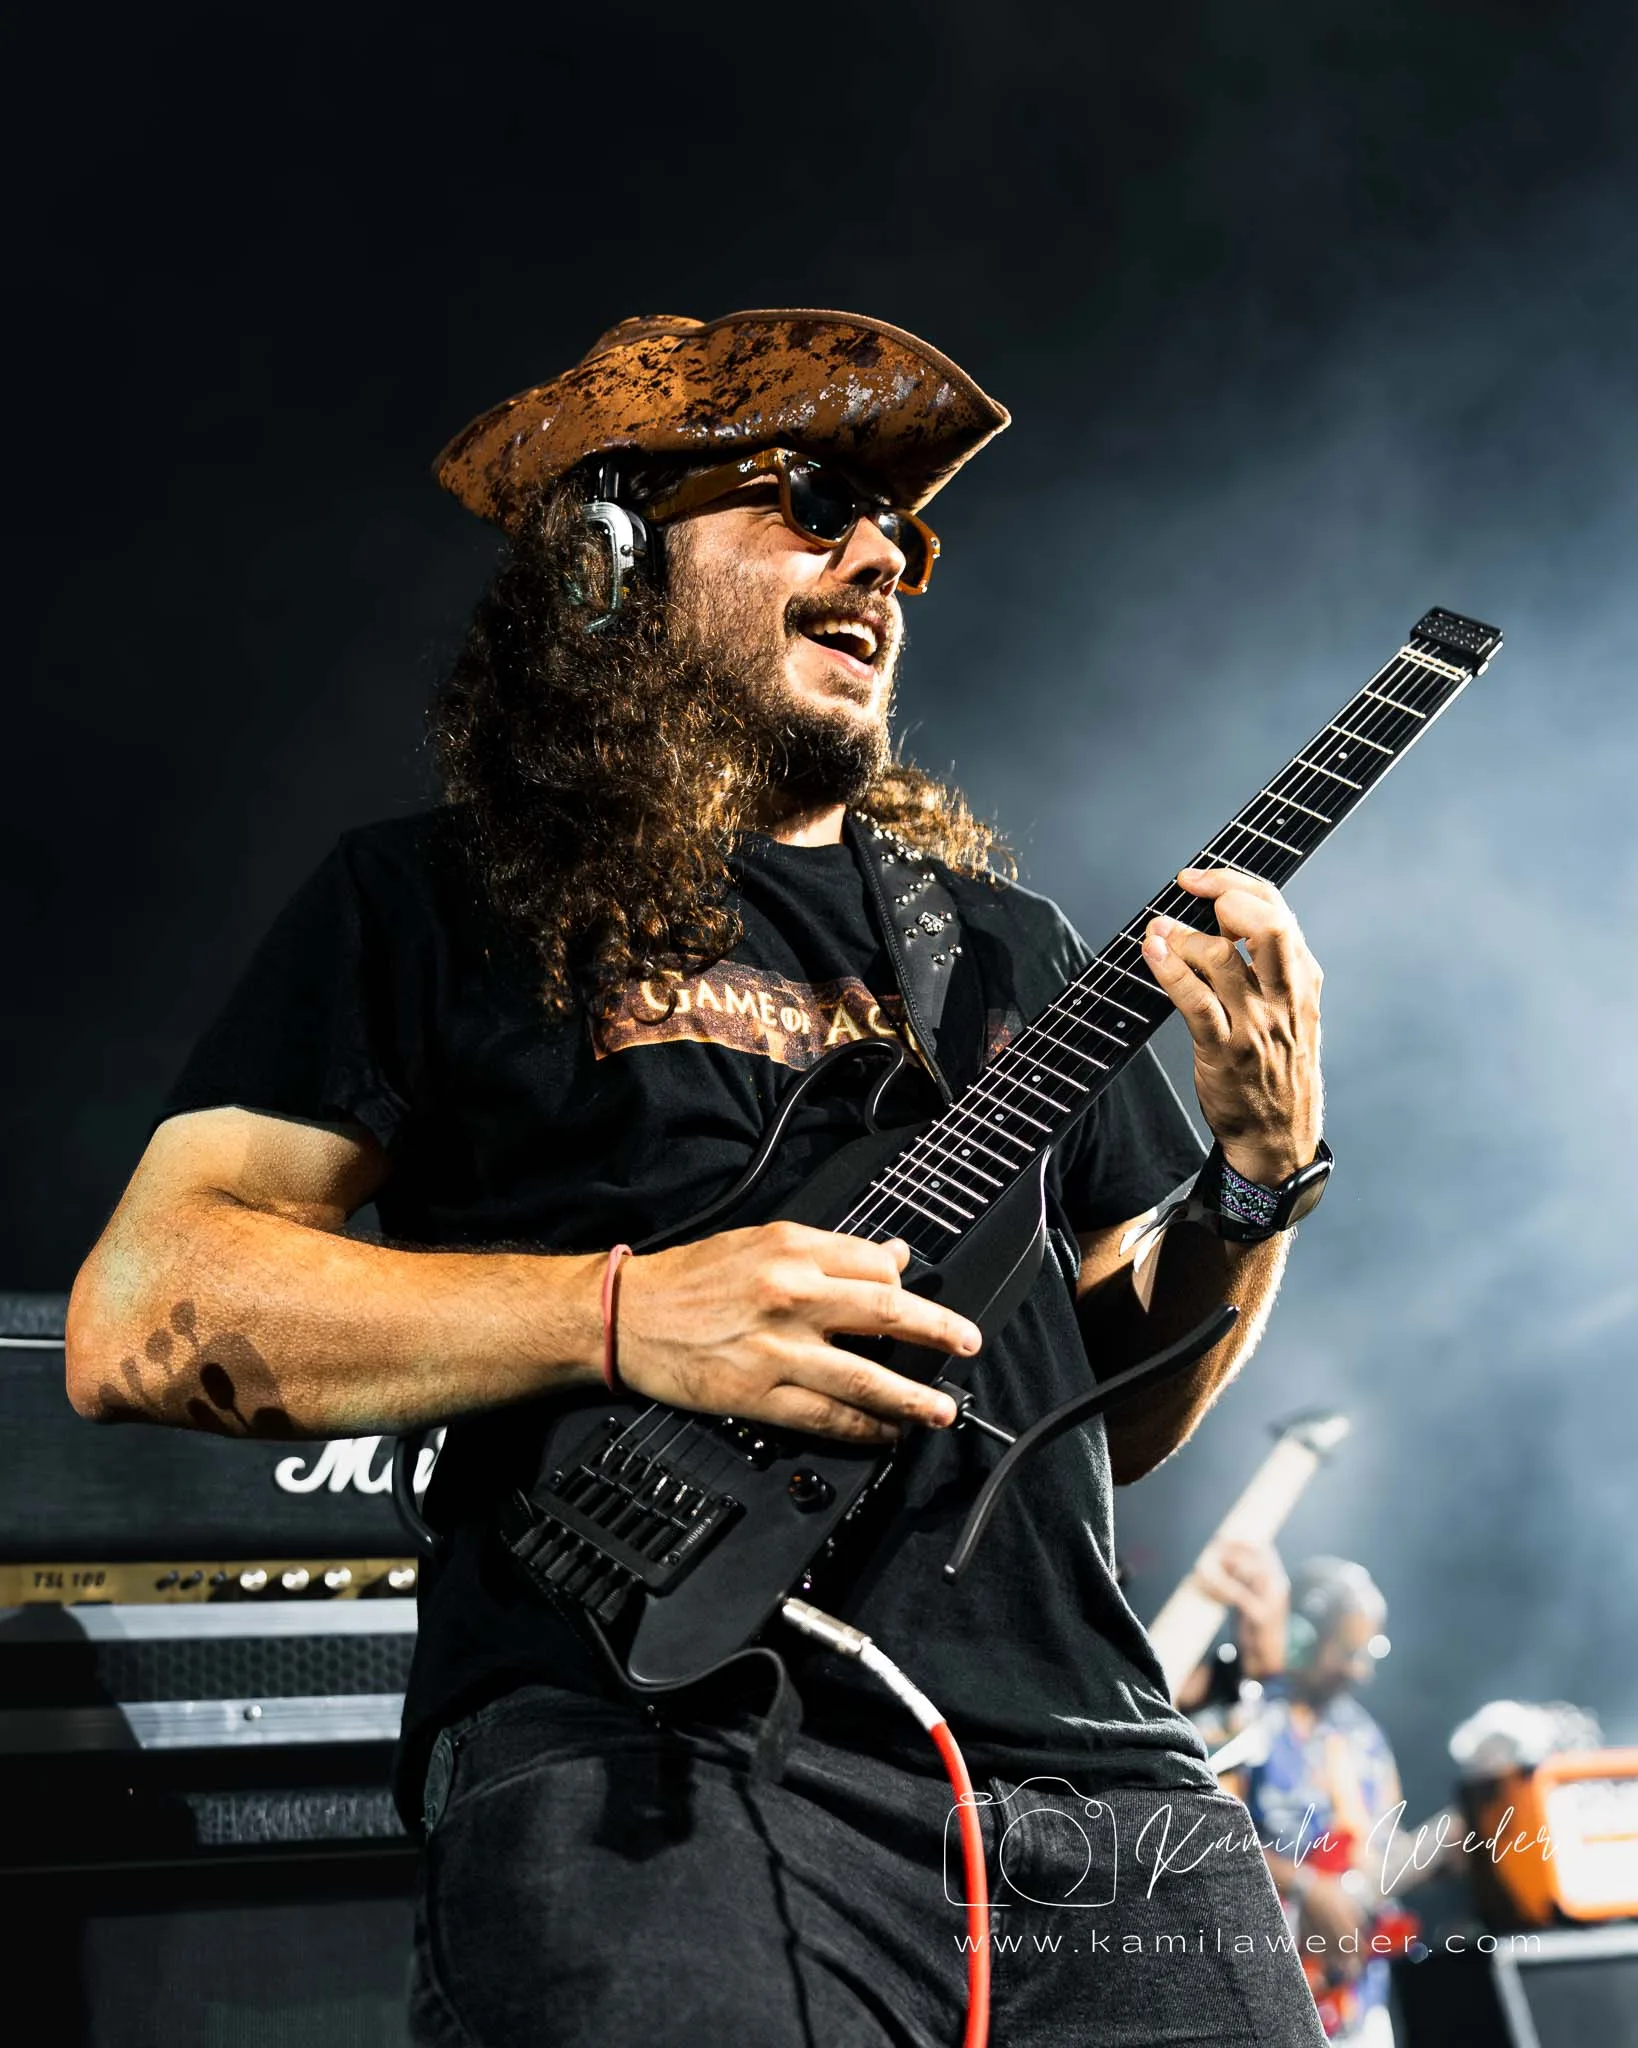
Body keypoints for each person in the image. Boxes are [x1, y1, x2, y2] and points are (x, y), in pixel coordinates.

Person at [66, 310, 1333, 2046]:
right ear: (601, 561)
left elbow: (1112, 1424)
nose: (880, 558)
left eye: (904, 538)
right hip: (655, 1755)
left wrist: (1255, 1179)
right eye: (811, 503)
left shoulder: (1011, 953)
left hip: (1101, 1789)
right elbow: (143, 1310)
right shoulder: (432, 900)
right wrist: (620, 1312)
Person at [1188, 1549, 1404, 2045]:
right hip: (1262, 1986)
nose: (1360, 1671)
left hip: (1355, 2002)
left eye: (1369, 1653)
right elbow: (1203, 1836)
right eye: (1347, 1651)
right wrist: (1309, 1888)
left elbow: (1387, 1843)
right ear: (1301, 1636)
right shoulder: (1242, 1716)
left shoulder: (1366, 1738)